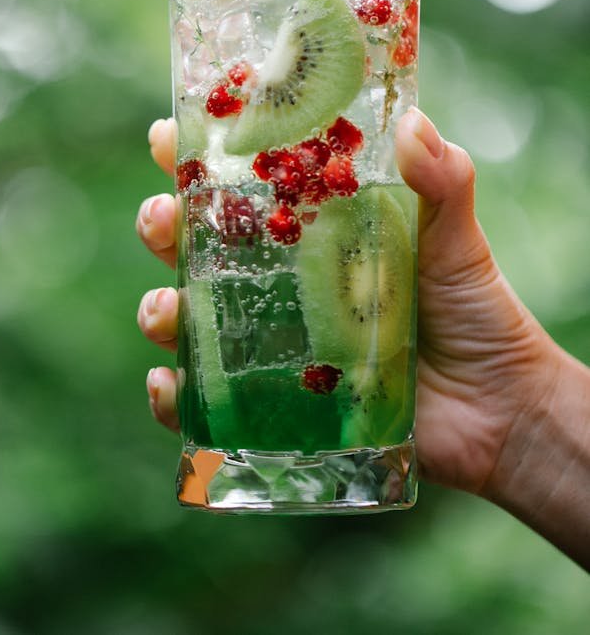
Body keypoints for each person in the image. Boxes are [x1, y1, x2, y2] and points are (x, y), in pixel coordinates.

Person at [135, 108, 590, 571]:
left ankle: (246, 456)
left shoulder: (364, 191)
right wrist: (523, 421)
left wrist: (522, 419)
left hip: (378, 440)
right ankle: (231, 451)